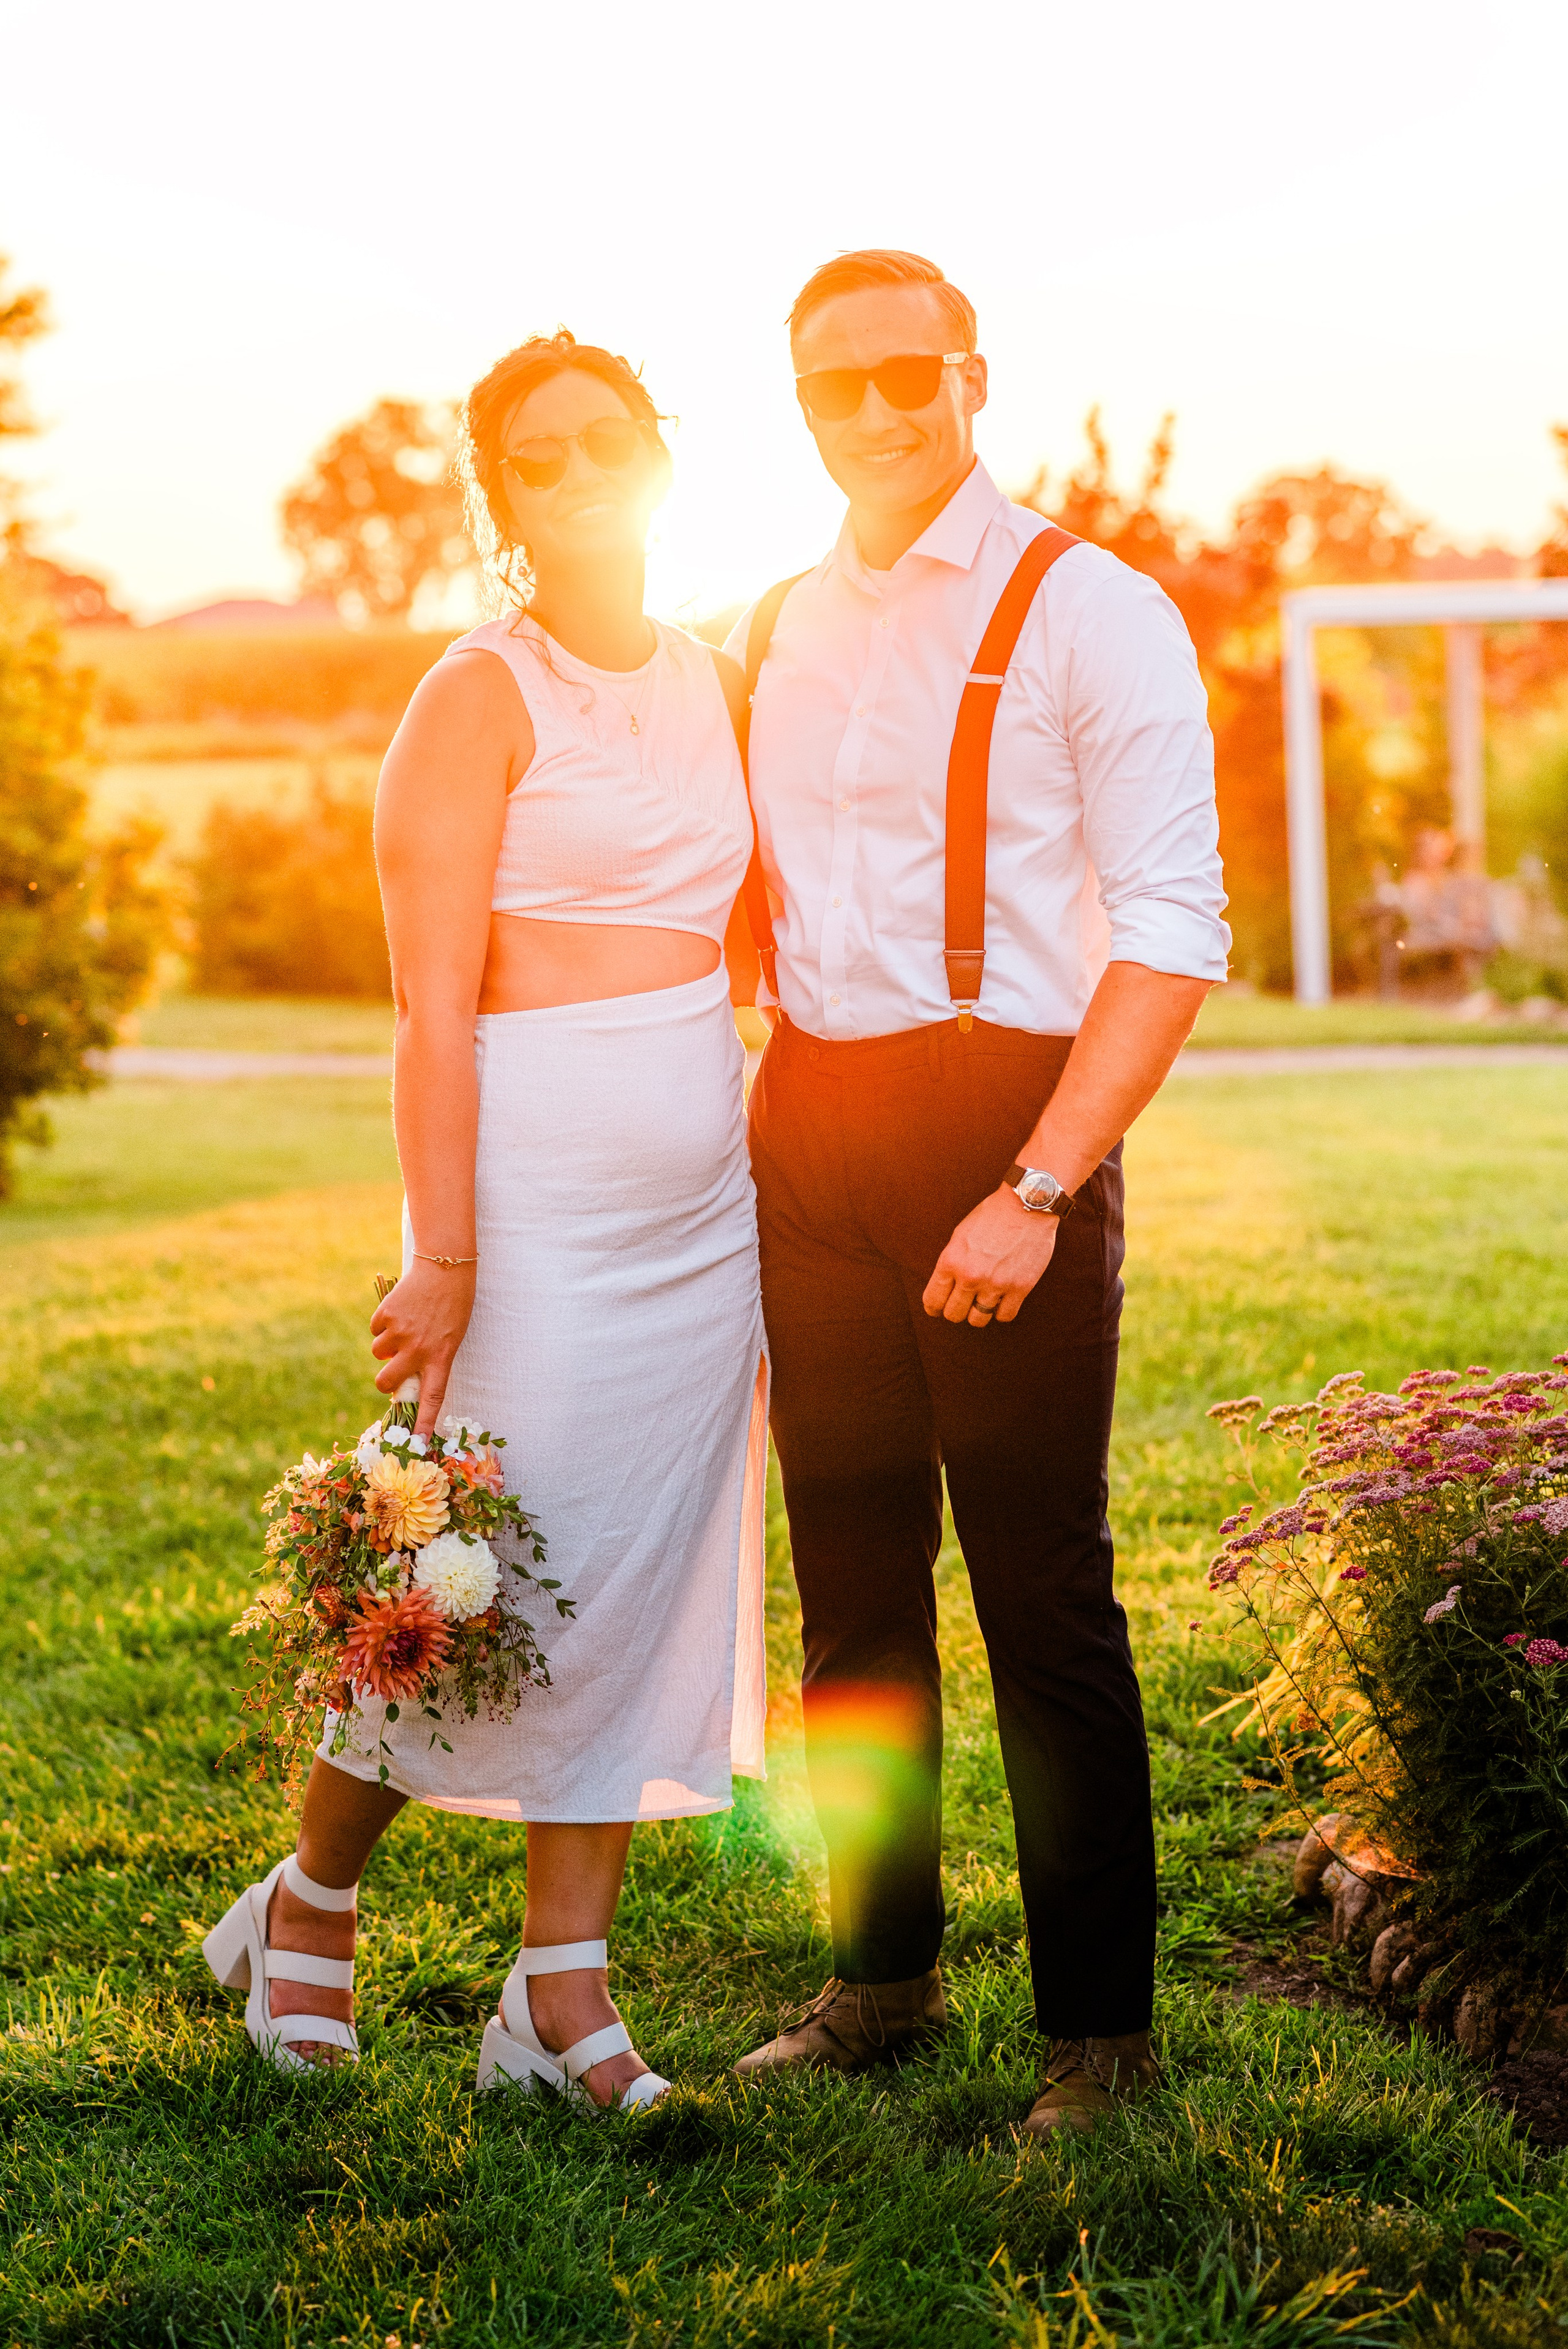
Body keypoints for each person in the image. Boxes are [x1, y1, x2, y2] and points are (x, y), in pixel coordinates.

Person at [202, 330, 769, 2109]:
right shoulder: (475, 694)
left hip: (707, 1220)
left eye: (609, 437)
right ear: (500, 494)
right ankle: (309, 1898)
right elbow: (426, 1007)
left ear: (661, 454)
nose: (580, 469)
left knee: (638, 1579)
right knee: (465, 1568)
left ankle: (557, 1996)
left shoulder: (722, 676)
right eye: (540, 453)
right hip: (530, 1219)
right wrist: (442, 1253)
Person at [726, 251, 1229, 2133]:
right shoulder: (772, 622)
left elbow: (1172, 928)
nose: (877, 409)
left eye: (908, 371)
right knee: (851, 1587)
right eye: (835, 384)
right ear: (801, 407)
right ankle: (881, 1975)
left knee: (1041, 1591)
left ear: (973, 374)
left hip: (1006, 1122)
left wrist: (1038, 1183)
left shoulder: (1092, 608)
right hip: (813, 1125)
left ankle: (1100, 2038)